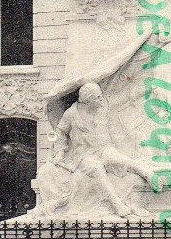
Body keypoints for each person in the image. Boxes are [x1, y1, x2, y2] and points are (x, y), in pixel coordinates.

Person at [41, 82, 154, 218]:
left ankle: (147, 174)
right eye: (97, 97)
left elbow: (125, 96)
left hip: (104, 148)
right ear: (87, 101)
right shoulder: (71, 114)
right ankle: (116, 202)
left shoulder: (103, 105)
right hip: (83, 155)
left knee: (117, 158)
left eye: (101, 95)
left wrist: (146, 87)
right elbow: (61, 132)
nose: (101, 98)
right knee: (95, 168)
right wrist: (60, 151)